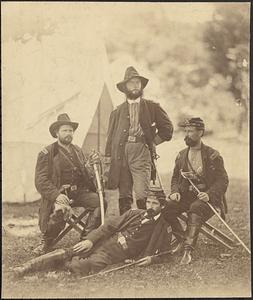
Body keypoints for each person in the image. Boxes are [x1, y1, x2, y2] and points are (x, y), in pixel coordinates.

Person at [13, 189, 171, 277]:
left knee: (88, 264)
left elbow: (166, 253)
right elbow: (108, 227)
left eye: (155, 203)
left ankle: (58, 269)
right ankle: (26, 267)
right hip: (103, 241)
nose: (150, 206)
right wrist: (90, 240)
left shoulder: (163, 227)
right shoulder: (134, 214)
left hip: (116, 254)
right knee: (72, 251)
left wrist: (152, 259)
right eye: (149, 202)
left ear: (162, 206)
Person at [33, 113, 107, 255]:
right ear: (57, 133)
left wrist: (91, 167)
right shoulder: (47, 153)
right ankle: (47, 242)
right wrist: (56, 195)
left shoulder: (78, 151)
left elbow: (85, 175)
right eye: (65, 131)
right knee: (61, 211)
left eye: (70, 131)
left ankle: (86, 239)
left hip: (78, 193)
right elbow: (40, 180)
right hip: (58, 196)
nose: (68, 134)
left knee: (100, 202)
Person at [104, 66, 173, 215]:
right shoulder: (117, 111)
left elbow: (168, 129)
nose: (135, 86)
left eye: (138, 83)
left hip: (141, 152)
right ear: (125, 88)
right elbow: (110, 137)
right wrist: (108, 160)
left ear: (141, 86)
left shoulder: (152, 106)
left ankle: (145, 228)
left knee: (142, 194)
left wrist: (152, 143)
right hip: (120, 155)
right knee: (124, 195)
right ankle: (127, 230)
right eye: (131, 83)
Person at [163, 117, 229, 265]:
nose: (187, 135)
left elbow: (223, 180)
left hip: (208, 200)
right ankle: (182, 239)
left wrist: (209, 194)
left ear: (201, 133)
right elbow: (175, 178)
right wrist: (175, 191)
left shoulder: (213, 155)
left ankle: (187, 250)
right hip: (187, 196)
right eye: (186, 131)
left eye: (191, 131)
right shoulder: (181, 155)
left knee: (196, 208)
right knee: (168, 208)